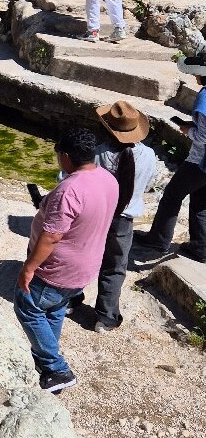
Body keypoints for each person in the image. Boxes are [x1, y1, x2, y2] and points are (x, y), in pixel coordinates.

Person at [15, 128, 119, 393]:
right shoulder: (107, 178)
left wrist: (29, 267)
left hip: (58, 269)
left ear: (66, 156)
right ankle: (45, 360)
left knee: (28, 307)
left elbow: (51, 237)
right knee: (55, 308)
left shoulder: (70, 189)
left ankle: (57, 369)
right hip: (86, 266)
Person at [90, 101, 159, 331]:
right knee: (115, 266)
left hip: (96, 216)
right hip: (123, 221)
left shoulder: (97, 153)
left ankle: (69, 300)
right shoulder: (149, 155)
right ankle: (106, 317)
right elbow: (148, 185)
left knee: (85, 257)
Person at [134, 54, 206, 263]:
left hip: (199, 162)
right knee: (201, 201)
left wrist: (187, 131)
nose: (194, 77)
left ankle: (157, 240)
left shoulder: (204, 96)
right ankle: (200, 247)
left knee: (172, 196)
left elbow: (203, 137)